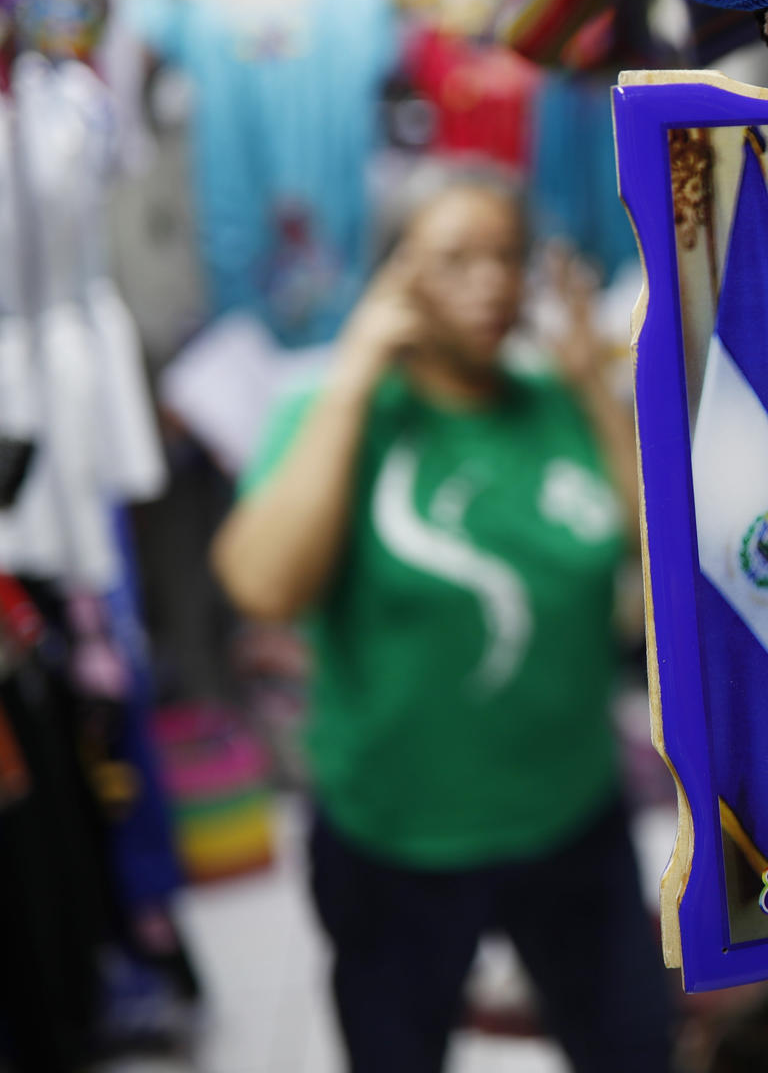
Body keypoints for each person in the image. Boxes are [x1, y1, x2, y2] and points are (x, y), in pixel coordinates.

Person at [210, 173, 670, 1073]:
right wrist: (354, 369)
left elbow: (665, 560)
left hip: (573, 822)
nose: (493, 282)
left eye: (507, 256)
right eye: (456, 259)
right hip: (397, 841)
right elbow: (263, 586)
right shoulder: (333, 413)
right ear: (394, 277)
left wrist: (589, 391)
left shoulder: (554, 402)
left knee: (633, 1050)